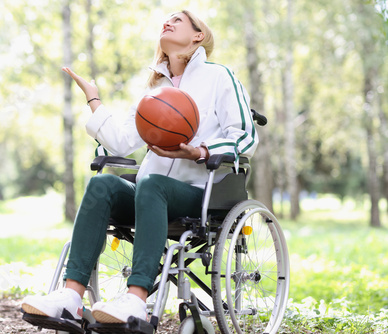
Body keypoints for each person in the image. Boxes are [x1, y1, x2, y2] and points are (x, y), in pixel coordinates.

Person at [21, 10, 258, 324]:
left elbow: (245, 137)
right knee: (102, 184)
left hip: (201, 194)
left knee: (152, 184)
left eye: (178, 20)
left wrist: (200, 151)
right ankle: (71, 297)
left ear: (198, 35)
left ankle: (135, 300)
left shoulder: (219, 77)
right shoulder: (155, 90)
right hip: (150, 193)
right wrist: (94, 99)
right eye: (166, 19)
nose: (168, 22)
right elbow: (121, 142)